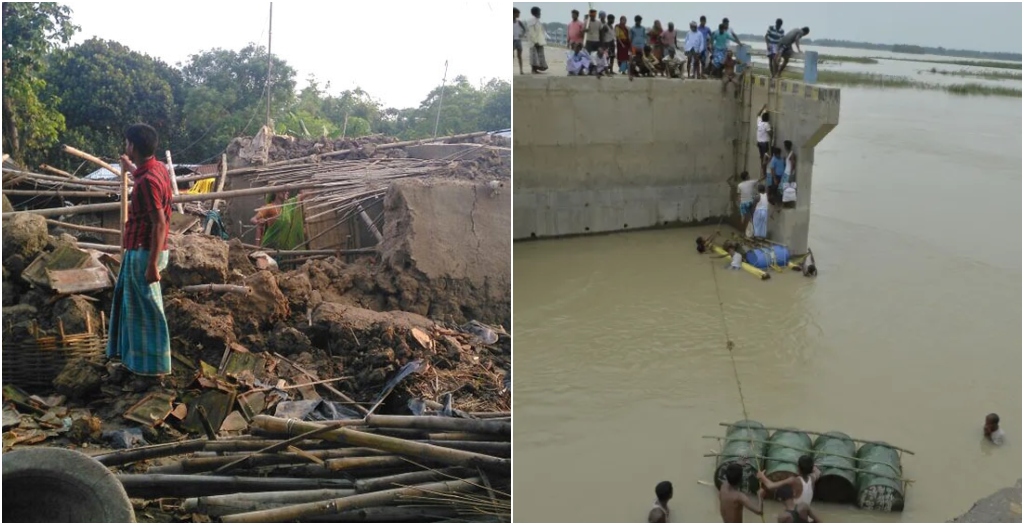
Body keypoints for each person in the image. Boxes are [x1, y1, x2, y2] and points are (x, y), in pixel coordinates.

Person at [106, 123, 173, 381]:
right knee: (134, 309)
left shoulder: (146, 182)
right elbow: (143, 179)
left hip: (145, 252)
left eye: (127, 144)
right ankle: (138, 365)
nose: (126, 147)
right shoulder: (158, 169)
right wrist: (129, 168)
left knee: (146, 312)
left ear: (132, 146)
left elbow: (159, 222)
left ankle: (152, 371)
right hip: (145, 250)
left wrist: (152, 265)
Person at [757, 455, 821, 511]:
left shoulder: (794, 480)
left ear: (798, 468)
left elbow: (770, 486)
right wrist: (814, 468)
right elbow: (818, 472)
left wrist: (762, 477)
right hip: (806, 517)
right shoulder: (812, 478)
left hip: (796, 518)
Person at [527, 7, 548, 73]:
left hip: (539, 41)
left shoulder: (537, 21)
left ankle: (536, 69)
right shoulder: (531, 21)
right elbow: (531, 32)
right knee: (534, 56)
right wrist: (535, 41)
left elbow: (540, 31)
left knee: (539, 56)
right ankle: (533, 69)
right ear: (536, 12)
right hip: (534, 42)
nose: (540, 13)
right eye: (539, 12)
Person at [513, 9, 526, 75]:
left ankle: (521, 70)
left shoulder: (519, 22)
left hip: (518, 40)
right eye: (517, 14)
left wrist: (522, 34)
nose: (518, 15)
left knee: (519, 56)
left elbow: (524, 29)